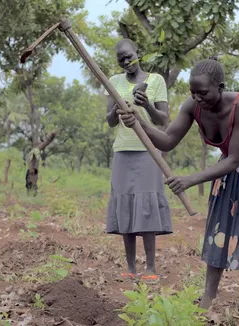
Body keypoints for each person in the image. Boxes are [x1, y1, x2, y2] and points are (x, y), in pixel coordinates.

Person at [117, 57, 239, 315]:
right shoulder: (193, 106)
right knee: (218, 226)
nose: (197, 98)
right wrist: (139, 123)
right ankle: (208, 297)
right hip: (231, 161)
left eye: (203, 93)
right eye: (193, 93)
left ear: (220, 87)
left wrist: (189, 180)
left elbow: (235, 159)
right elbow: (166, 141)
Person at [104, 38, 172, 284]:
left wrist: (147, 106)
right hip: (123, 150)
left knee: (146, 207)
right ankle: (130, 266)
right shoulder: (113, 82)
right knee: (126, 206)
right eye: (120, 59)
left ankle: (151, 266)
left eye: (128, 56)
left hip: (148, 151)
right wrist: (117, 109)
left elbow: (162, 120)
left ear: (138, 53)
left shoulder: (155, 81)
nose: (125, 61)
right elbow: (111, 121)